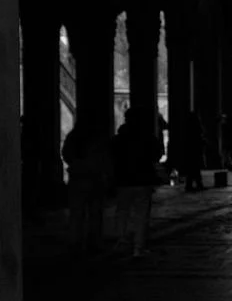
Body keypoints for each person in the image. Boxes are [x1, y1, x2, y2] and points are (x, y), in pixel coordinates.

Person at [112, 106, 163, 257]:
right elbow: (157, 154)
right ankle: (138, 247)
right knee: (141, 215)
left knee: (122, 211)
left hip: (123, 179)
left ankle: (122, 241)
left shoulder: (119, 138)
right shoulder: (147, 137)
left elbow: (111, 155)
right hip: (143, 179)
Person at [62, 117, 113, 254]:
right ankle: (94, 242)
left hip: (77, 177)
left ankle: (75, 242)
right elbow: (106, 159)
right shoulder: (99, 139)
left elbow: (66, 154)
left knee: (76, 213)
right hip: (95, 178)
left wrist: (77, 164)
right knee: (95, 213)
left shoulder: (73, 137)